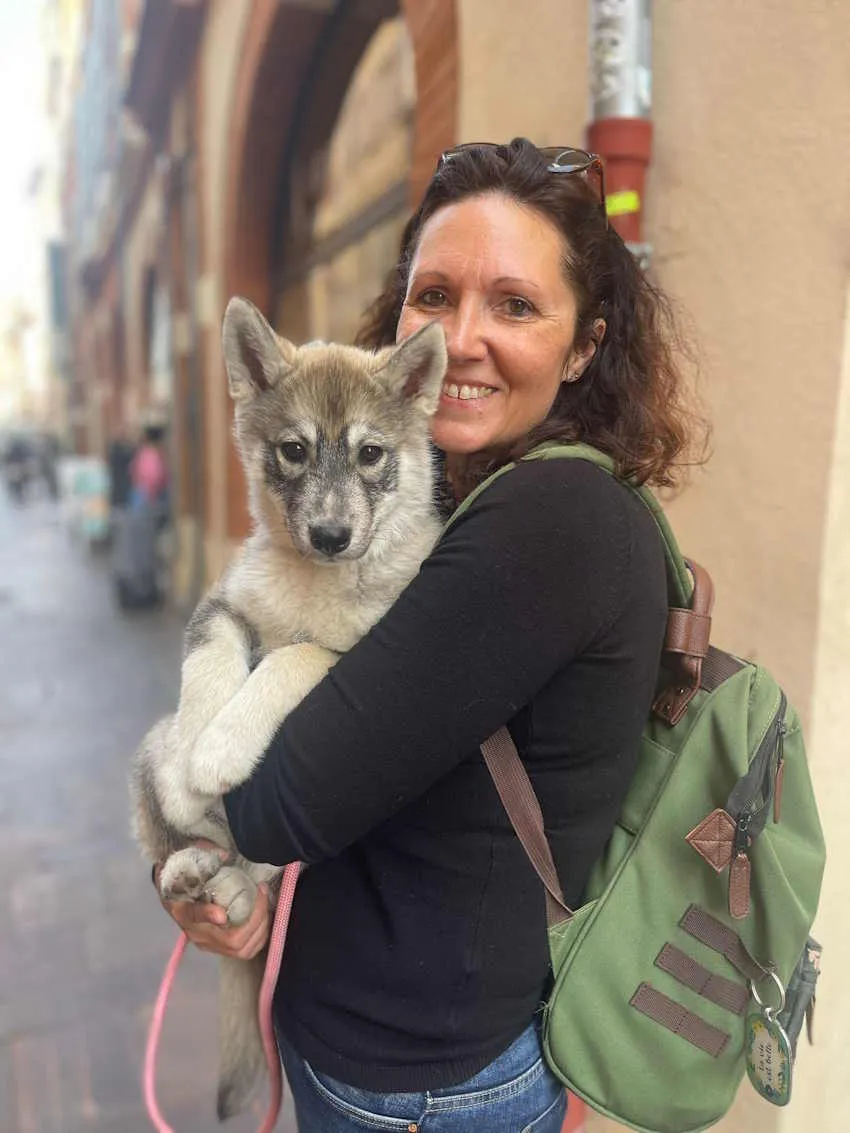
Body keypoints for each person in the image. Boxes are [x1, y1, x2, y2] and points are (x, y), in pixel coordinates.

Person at [156, 138, 705, 1131]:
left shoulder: (548, 522)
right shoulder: (459, 491)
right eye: (435, 295)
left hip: (423, 1080)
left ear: (584, 346)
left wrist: (188, 812)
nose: (460, 337)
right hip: (401, 1042)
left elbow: (278, 803)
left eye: (515, 305)